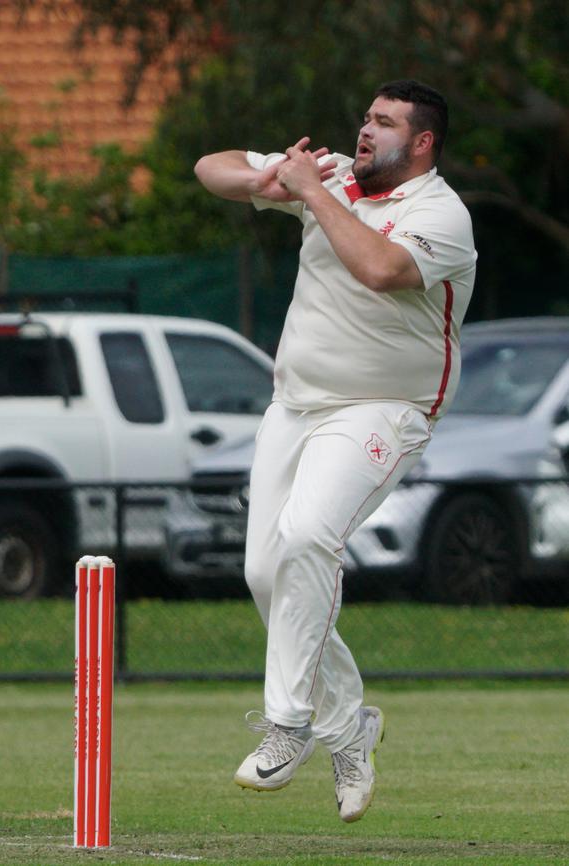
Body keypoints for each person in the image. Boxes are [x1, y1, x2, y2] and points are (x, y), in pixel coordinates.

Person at [194, 79, 476, 822]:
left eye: (383, 123)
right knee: (266, 571)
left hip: (386, 405)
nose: (363, 129)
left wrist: (312, 195)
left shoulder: (440, 214)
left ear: (421, 143)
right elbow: (207, 167)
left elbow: (380, 270)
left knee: (310, 535)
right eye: (364, 116)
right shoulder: (328, 176)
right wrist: (263, 179)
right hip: (296, 403)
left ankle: (289, 724)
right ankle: (349, 726)